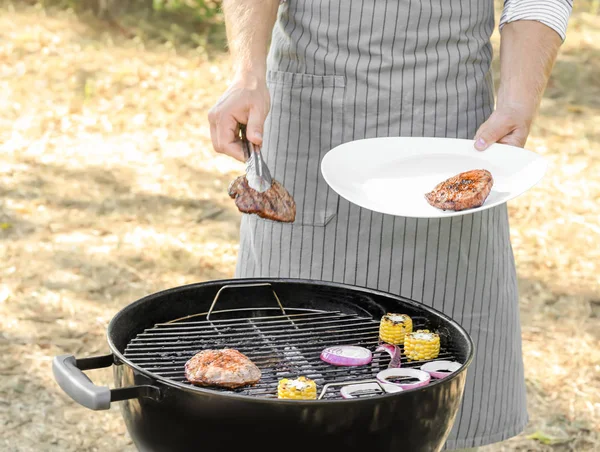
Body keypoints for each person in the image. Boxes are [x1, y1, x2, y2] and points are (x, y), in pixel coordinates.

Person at [208, 0, 572, 449]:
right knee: (291, 378)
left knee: (439, 388)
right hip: (312, 117)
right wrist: (246, 74)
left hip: (453, 125)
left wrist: (518, 98)